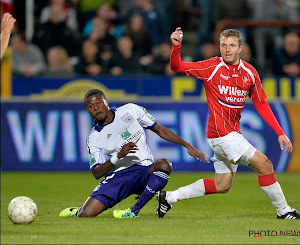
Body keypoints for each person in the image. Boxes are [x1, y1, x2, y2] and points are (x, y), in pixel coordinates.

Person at [156, 27, 299, 220]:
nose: (227, 49)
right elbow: (177, 67)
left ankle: (169, 197)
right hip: (223, 135)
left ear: (241, 48)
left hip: (224, 136)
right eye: (224, 45)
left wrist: (280, 132)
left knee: (222, 185)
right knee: (265, 165)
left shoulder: (250, 73)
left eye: (232, 45)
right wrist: (176, 48)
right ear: (220, 47)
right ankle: (284, 211)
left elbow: (261, 104)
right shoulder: (211, 67)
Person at [59, 89, 208, 218]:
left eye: (98, 103)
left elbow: (160, 129)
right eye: (91, 107)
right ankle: (78, 210)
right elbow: (97, 173)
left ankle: (133, 211)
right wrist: (118, 156)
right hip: (120, 175)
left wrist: (187, 145)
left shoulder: (130, 110)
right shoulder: (94, 138)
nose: (96, 108)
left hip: (144, 170)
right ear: (87, 110)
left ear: (106, 102)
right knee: (87, 214)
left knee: (164, 165)